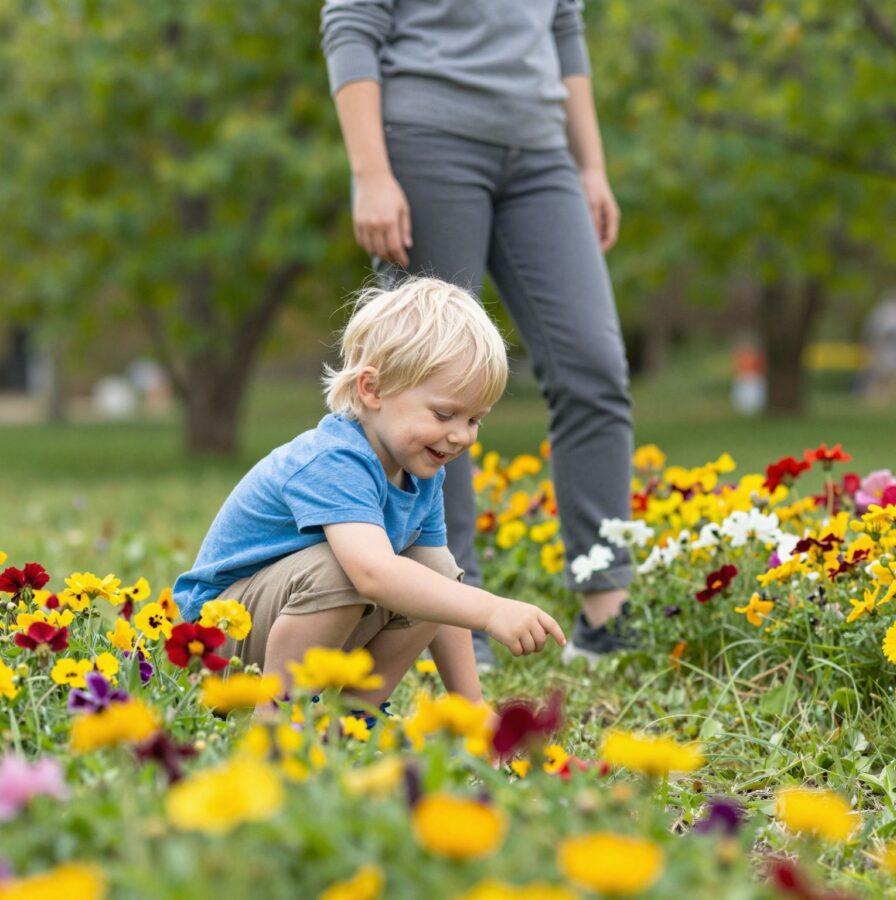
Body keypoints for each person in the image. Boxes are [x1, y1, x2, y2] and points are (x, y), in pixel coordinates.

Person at [319, 0, 635, 668]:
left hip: (543, 151)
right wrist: (370, 171)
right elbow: (351, 21)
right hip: (424, 140)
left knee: (594, 366)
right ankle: (454, 619)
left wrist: (592, 165)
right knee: (428, 386)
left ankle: (607, 614)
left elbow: (563, 27)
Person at [173, 278, 565, 710]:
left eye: (475, 420)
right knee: (345, 571)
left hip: (285, 625)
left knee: (435, 569)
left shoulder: (422, 469)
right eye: (444, 414)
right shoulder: (335, 459)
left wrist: (473, 718)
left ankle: (350, 723)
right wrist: (490, 611)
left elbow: (440, 588)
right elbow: (372, 574)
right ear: (372, 390)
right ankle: (277, 725)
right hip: (211, 645)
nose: (460, 436)